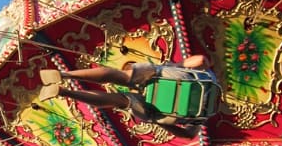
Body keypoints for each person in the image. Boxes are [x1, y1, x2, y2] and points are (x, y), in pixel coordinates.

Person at [36, 55, 217, 138]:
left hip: (167, 79)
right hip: (161, 111)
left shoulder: (211, 78)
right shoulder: (203, 117)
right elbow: (188, 135)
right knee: (122, 101)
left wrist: (173, 65)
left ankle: (66, 75)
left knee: (122, 76)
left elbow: (200, 60)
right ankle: (64, 92)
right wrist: (161, 123)